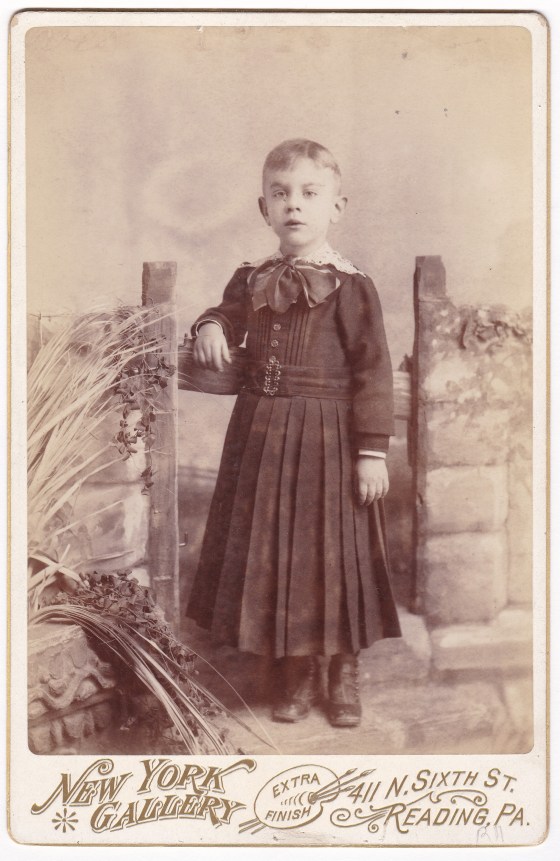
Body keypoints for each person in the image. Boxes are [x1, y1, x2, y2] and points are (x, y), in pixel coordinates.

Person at [186, 138, 401, 728]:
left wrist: (371, 452)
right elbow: (228, 313)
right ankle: (297, 670)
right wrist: (210, 325)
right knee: (281, 551)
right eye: (280, 194)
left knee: (336, 552)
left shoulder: (352, 285)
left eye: (310, 193)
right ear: (265, 209)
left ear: (337, 206)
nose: (294, 205)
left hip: (330, 440)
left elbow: (374, 370)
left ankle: (343, 671)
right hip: (262, 435)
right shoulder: (251, 276)